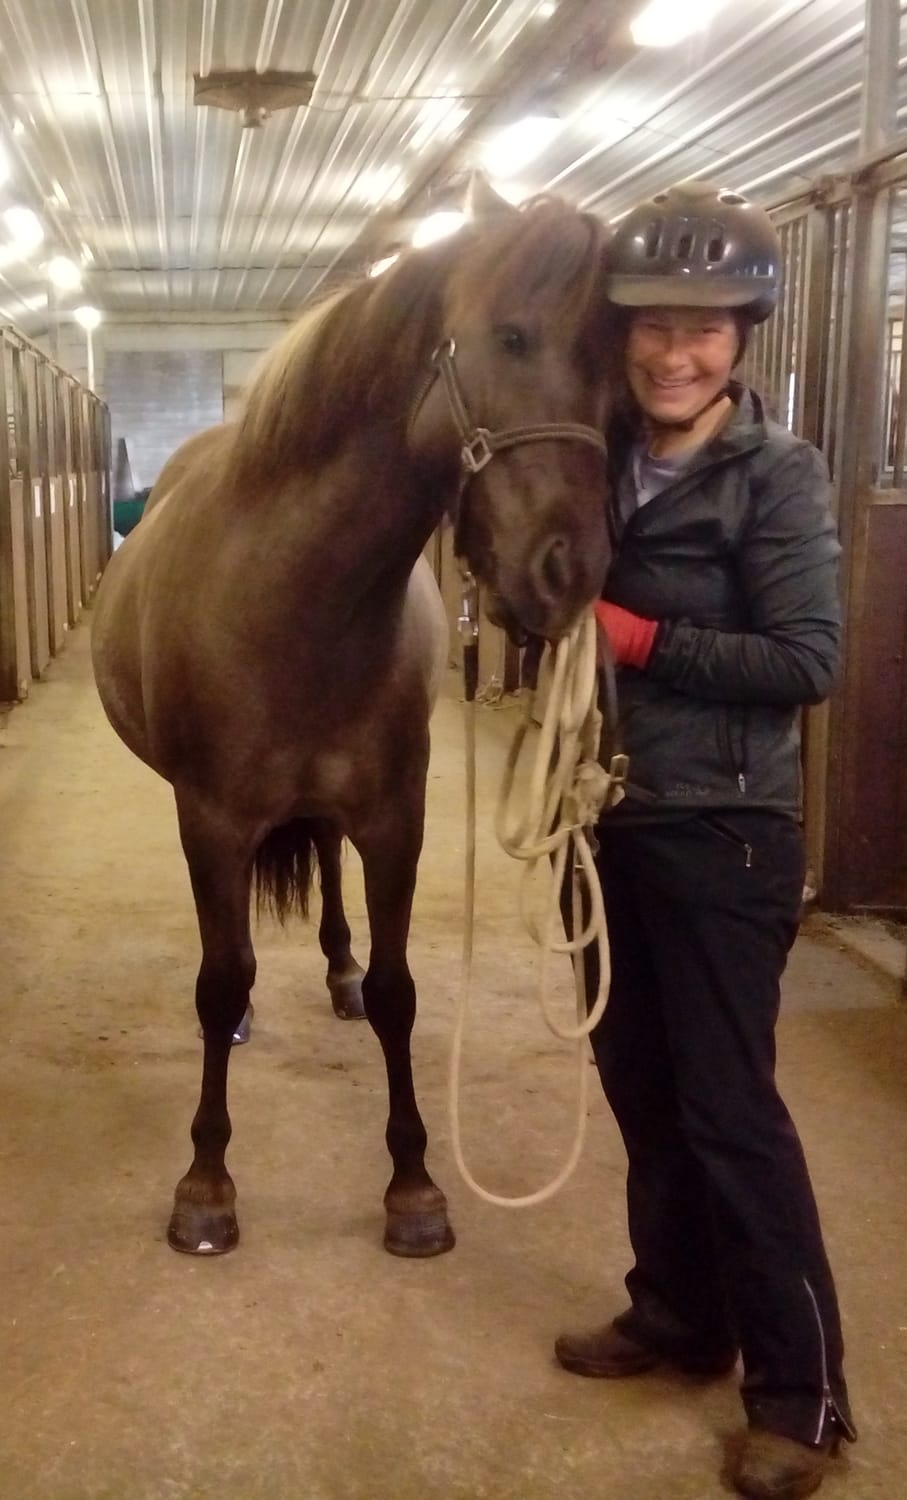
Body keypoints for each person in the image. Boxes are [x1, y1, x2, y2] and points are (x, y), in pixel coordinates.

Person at [556, 181, 857, 1500]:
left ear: (743, 339)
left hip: (726, 828)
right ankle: (679, 1312)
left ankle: (803, 1393)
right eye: (654, 326)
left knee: (732, 1112)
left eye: (706, 328)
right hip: (608, 818)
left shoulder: (775, 476)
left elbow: (807, 661)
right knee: (643, 1090)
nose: (676, 353)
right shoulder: (593, 454)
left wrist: (639, 639)